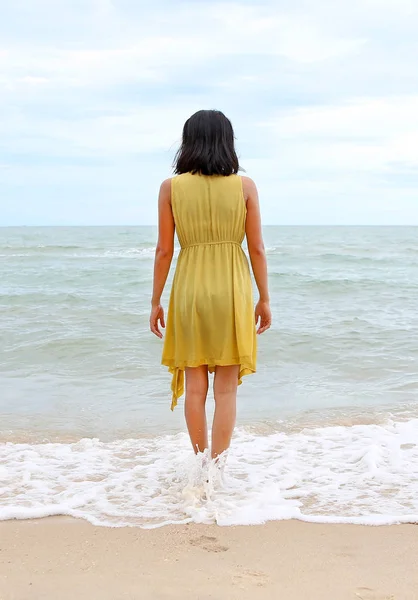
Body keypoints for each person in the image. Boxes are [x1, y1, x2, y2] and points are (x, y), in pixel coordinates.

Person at [150, 109, 271, 461]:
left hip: (190, 290)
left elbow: (163, 251)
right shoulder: (245, 187)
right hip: (232, 289)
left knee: (194, 386)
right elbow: (258, 249)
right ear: (226, 143)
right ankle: (218, 467)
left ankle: (200, 462)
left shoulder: (170, 188)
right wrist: (264, 298)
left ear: (187, 143)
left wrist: (155, 301)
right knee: (227, 390)